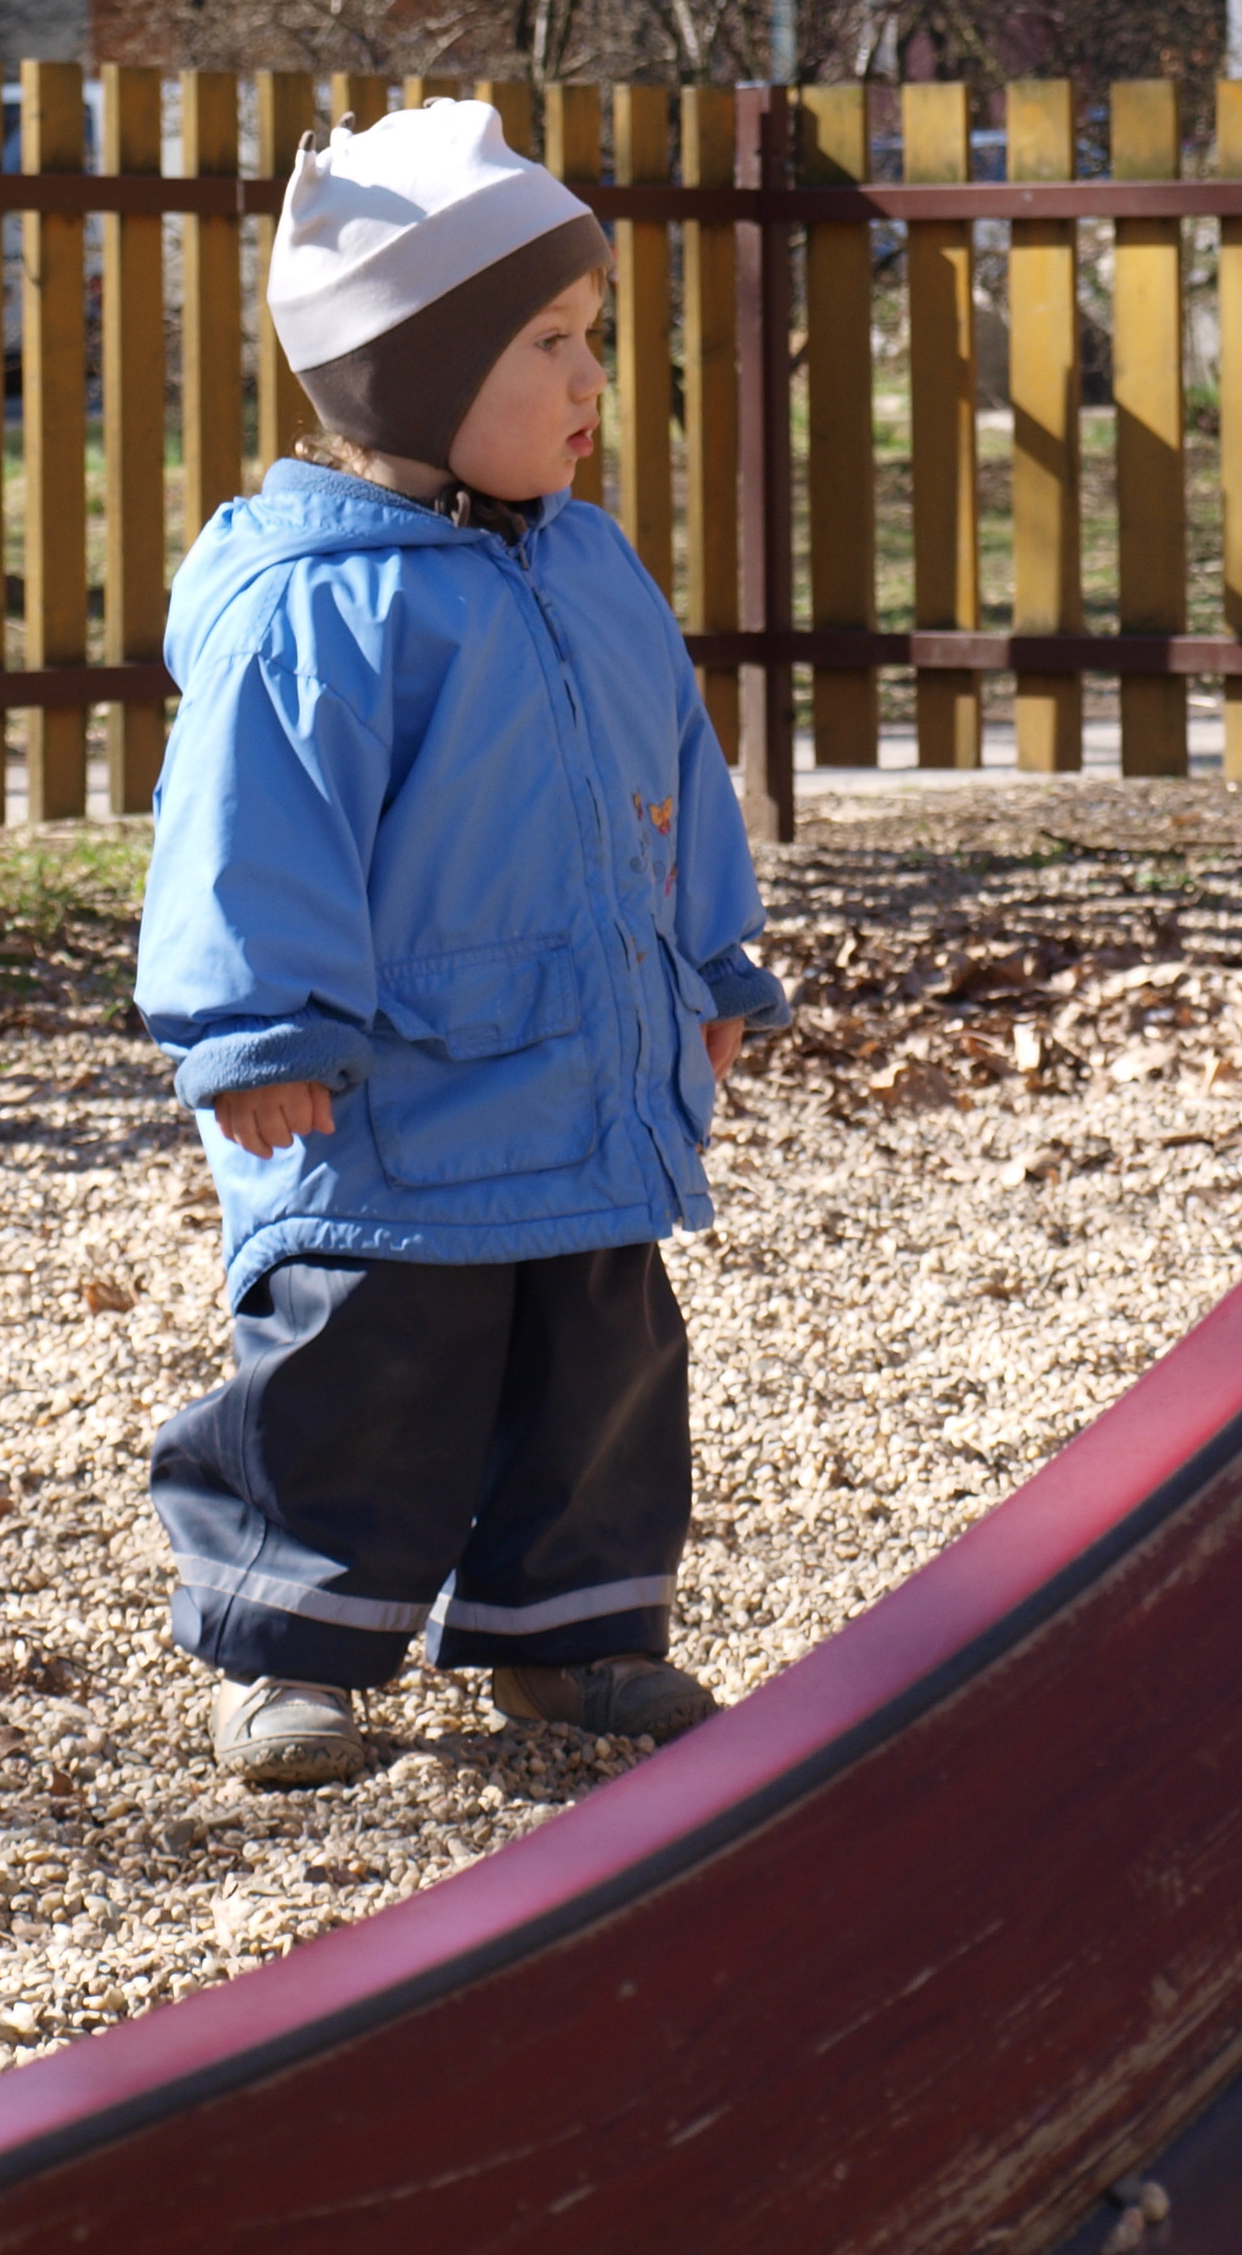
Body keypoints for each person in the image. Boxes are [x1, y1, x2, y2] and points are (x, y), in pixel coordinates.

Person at [133, 99, 789, 1788]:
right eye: (547, 343)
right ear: (416, 380)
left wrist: (714, 962)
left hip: (587, 1078)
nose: (591, 381)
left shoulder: (591, 566)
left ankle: (570, 1634)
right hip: (393, 1105)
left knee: (603, 1367)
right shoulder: (317, 604)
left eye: (592, 338)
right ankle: (290, 1649)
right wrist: (257, 1028)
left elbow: (676, 769)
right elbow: (246, 834)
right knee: (362, 1371)